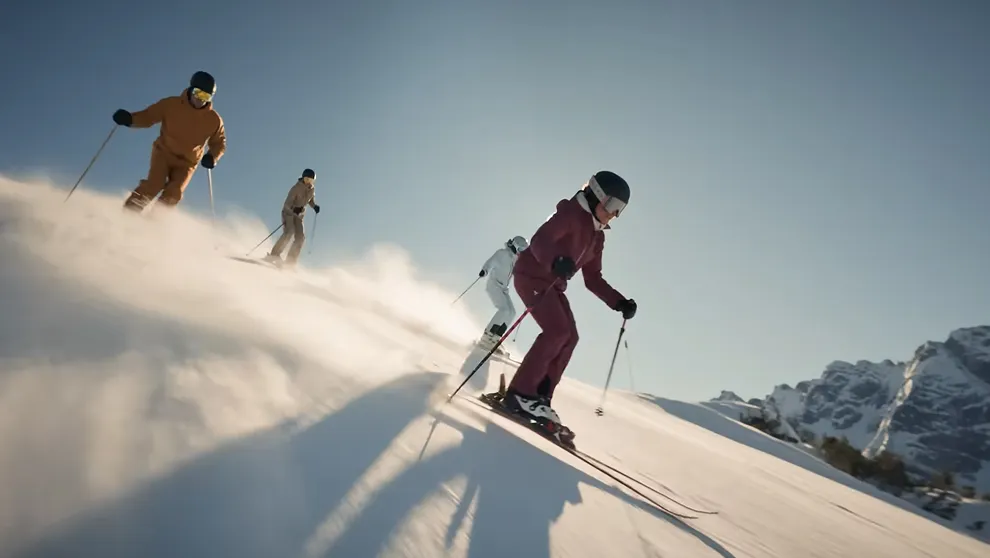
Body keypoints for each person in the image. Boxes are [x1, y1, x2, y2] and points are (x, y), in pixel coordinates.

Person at [503, 170, 638, 432]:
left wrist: (619, 302)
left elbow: (593, 279)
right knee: (557, 331)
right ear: (596, 195)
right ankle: (520, 393)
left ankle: (540, 396)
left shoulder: (598, 238)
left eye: (620, 209)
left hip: (552, 286)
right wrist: (556, 260)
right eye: (612, 205)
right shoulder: (570, 214)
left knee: (570, 337)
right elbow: (541, 240)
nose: (614, 214)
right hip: (531, 275)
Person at [113, 71, 226, 212]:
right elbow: (149, 116)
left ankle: (154, 222)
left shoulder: (214, 120)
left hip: (187, 163)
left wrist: (212, 157)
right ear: (191, 89)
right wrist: (130, 119)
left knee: (175, 192)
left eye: (206, 96)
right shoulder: (171, 105)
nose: (200, 99)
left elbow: (219, 142)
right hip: (164, 153)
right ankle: (130, 211)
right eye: (198, 93)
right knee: (155, 184)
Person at [477, 236, 530, 353]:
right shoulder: (502, 253)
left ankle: (495, 338)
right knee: (504, 310)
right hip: (494, 286)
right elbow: (490, 262)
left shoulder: (516, 260)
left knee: (511, 312)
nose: (522, 254)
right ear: (516, 246)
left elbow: (523, 272)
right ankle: (486, 338)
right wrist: (484, 271)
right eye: (521, 250)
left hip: (503, 289)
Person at [264, 168, 321, 267]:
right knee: (289, 232)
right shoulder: (296, 188)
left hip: (299, 216)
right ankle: (274, 254)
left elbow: (310, 200)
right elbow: (287, 204)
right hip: (288, 213)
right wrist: (294, 209)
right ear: (303, 178)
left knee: (300, 238)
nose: (308, 182)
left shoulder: (312, 189)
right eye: (307, 179)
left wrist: (314, 206)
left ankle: (290, 261)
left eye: (311, 180)